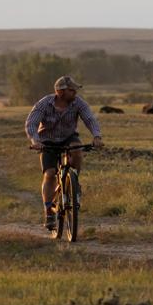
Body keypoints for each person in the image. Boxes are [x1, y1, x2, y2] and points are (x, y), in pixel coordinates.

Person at [24, 76, 104, 230]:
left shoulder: (78, 102)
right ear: (60, 91)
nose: (75, 93)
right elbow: (31, 123)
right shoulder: (44, 103)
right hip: (47, 140)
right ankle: (49, 210)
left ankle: (74, 184)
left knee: (77, 150)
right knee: (50, 173)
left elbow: (90, 119)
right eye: (71, 90)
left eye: (75, 90)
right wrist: (35, 141)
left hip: (68, 137)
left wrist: (97, 136)